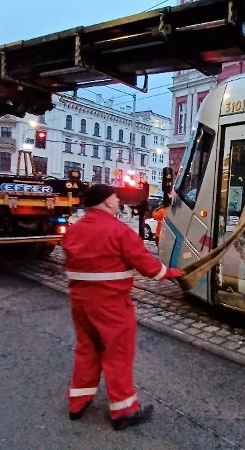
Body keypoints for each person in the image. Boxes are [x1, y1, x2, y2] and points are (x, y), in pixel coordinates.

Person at [62, 184, 184, 431]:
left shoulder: (73, 231)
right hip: (112, 305)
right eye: (116, 198)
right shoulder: (119, 231)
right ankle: (124, 411)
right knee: (117, 356)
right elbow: (148, 267)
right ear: (107, 202)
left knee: (87, 350)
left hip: (81, 304)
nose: (119, 203)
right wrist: (174, 273)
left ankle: (78, 402)